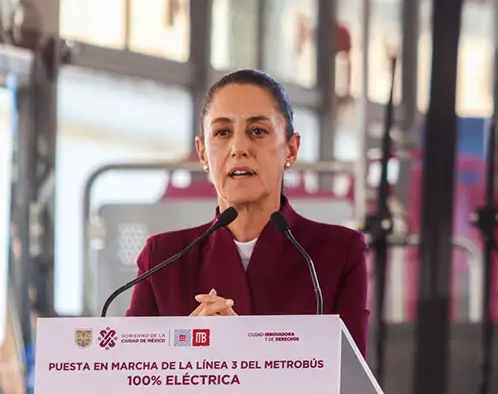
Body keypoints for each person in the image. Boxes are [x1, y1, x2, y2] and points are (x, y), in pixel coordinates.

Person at [126, 68, 370, 354]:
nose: (239, 147)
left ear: (291, 150)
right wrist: (184, 354)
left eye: (257, 131)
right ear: (203, 153)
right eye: (222, 133)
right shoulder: (163, 259)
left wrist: (243, 352)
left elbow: (349, 379)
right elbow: (131, 373)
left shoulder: (337, 253)